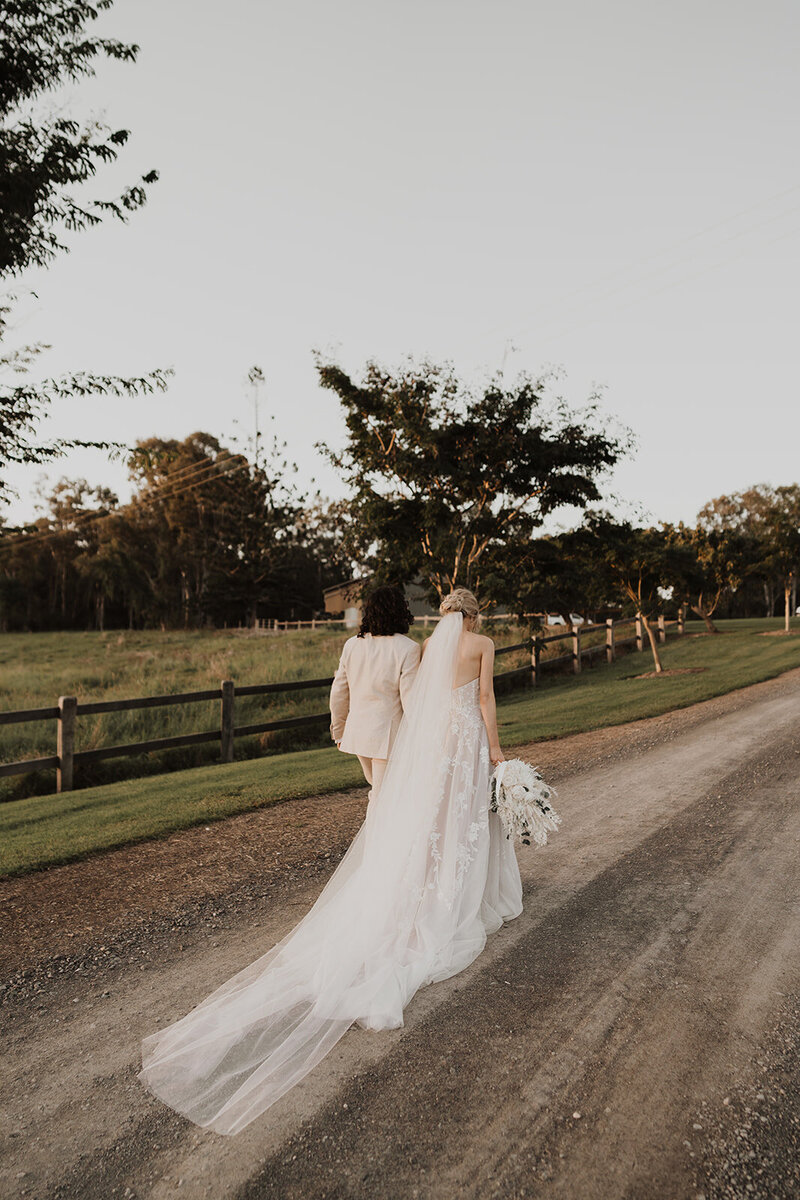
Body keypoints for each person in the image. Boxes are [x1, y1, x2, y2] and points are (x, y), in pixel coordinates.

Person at [138, 587, 522, 1135]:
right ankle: (395, 874)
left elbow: (339, 691)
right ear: (471, 615)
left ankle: (387, 862)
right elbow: (428, 704)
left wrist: (340, 730)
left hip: (367, 739)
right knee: (397, 815)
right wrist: (443, 750)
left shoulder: (358, 645)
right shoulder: (420, 649)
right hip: (409, 740)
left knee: (381, 807)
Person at [329, 584, 421, 798]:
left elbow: (339, 692)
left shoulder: (352, 645)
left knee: (379, 791)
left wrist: (339, 731)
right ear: (401, 611)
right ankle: (377, 833)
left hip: (358, 732)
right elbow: (410, 701)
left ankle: (384, 831)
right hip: (387, 736)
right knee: (382, 796)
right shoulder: (408, 648)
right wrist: (421, 736)